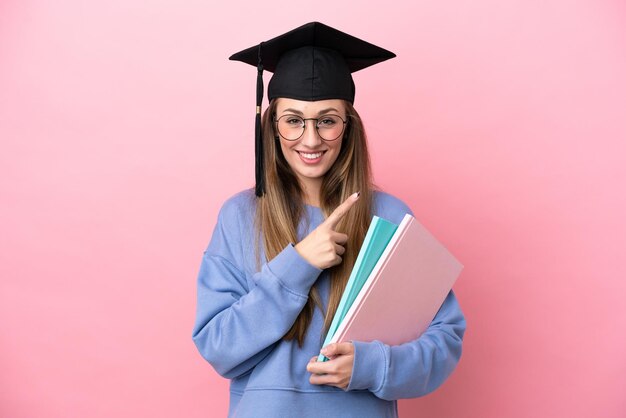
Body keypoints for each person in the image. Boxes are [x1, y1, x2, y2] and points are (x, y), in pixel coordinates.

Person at [192, 22, 466, 418]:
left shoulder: (388, 216)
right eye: (293, 120)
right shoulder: (239, 217)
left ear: (347, 126)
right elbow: (218, 348)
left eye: (327, 120)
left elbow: (445, 339)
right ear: (271, 126)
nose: (310, 139)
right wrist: (296, 266)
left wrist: (371, 365)